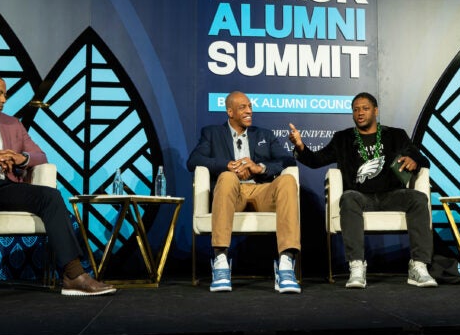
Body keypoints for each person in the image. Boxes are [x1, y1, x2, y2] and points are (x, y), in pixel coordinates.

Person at [0, 71, 115, 307]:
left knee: (51, 196)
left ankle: (73, 275)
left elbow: (39, 154)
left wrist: (20, 158)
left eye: (5, 94)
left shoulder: (12, 123)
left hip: (7, 186)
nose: (4, 99)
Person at [288, 92, 437, 289]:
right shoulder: (343, 138)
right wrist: (299, 145)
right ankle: (356, 266)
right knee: (348, 198)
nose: (360, 113)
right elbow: (316, 161)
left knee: (418, 198)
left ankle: (418, 266)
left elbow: (422, 160)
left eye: (365, 108)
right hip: (360, 196)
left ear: (375, 111)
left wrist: (414, 160)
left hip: (391, 194)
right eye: (356, 109)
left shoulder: (396, 135)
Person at [186, 91, 301, 293]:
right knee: (228, 177)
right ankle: (221, 260)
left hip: (261, 191)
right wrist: (226, 165)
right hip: (232, 193)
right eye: (243, 108)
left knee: (288, 179)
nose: (249, 111)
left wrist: (260, 168)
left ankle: (286, 262)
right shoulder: (212, 133)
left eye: (250, 106)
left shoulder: (264, 134)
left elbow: (287, 161)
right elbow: (193, 161)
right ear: (230, 112)